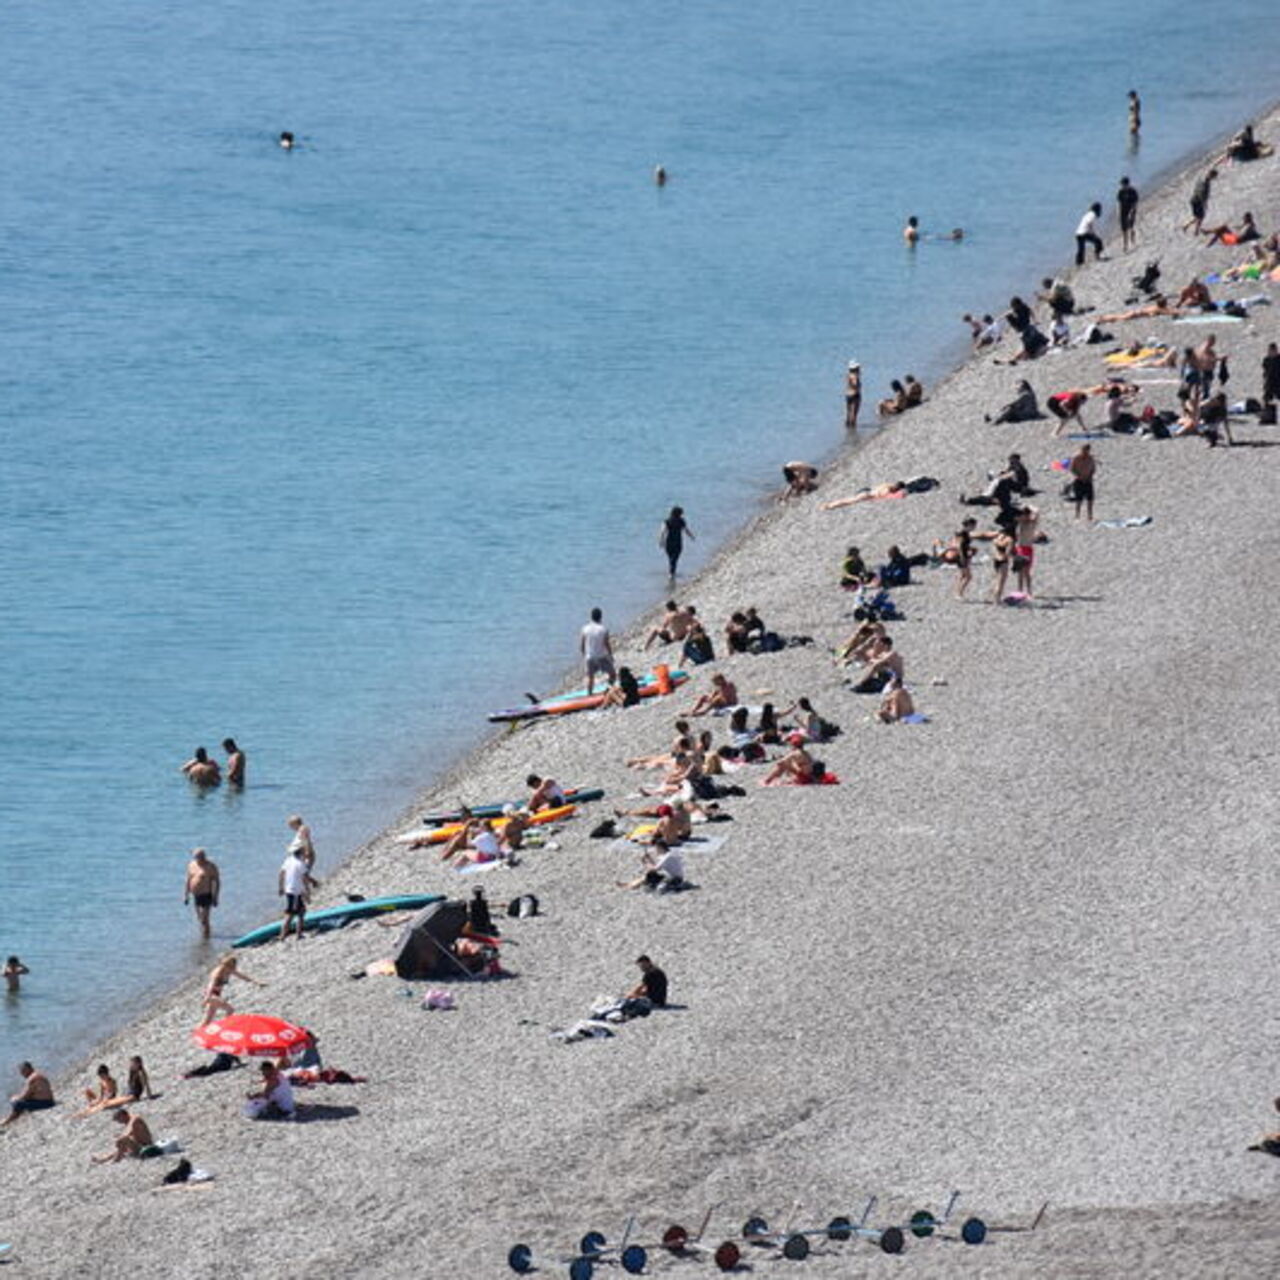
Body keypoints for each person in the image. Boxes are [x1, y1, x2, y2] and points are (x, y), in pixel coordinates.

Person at [201, 955, 263, 1025]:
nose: (233, 968)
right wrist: (207, 998)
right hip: (211, 995)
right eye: (232, 966)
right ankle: (226, 1026)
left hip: (216, 994)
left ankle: (196, 1033)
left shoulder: (228, 970)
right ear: (227, 964)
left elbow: (242, 976)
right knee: (230, 1009)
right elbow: (211, 984)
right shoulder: (218, 973)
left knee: (207, 1020)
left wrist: (256, 982)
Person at [279, 843, 318, 940]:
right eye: (304, 851)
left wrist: (281, 887)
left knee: (301, 911)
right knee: (290, 914)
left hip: (290, 890)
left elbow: (281, 873)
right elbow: (305, 877)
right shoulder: (300, 863)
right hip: (295, 891)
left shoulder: (288, 861)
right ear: (300, 852)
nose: (305, 853)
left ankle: (298, 935)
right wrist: (313, 883)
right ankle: (282, 936)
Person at [619, 839, 686, 892]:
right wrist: (649, 859)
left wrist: (645, 862)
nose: (656, 850)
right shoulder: (668, 855)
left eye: (656, 848)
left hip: (676, 879)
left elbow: (655, 869)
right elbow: (656, 866)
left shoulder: (667, 857)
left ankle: (630, 886)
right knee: (649, 875)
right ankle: (629, 885)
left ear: (660, 848)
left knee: (650, 875)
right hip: (672, 877)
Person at [184, 848, 221, 940]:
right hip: (195, 895)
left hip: (207, 894)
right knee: (200, 919)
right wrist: (186, 895)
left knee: (205, 919)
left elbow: (217, 882)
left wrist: (216, 897)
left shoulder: (210, 866)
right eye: (198, 856)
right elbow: (188, 880)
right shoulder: (191, 865)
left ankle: (206, 939)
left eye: (202, 856)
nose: (200, 858)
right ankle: (204, 936)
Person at [2, 1062, 55, 1127]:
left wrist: (14, 1099)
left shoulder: (32, 1079)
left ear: (28, 1069)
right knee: (19, 1102)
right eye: (21, 1072)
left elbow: (25, 1096)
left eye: (23, 1071)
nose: (22, 1074)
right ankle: (12, 1117)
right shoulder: (38, 1074)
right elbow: (30, 1093)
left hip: (46, 1103)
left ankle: (8, 1121)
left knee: (17, 1104)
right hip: (49, 1101)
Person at [580, 607, 616, 695]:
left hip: (590, 657)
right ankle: (607, 690)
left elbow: (582, 645)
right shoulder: (604, 629)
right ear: (600, 617)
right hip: (601, 657)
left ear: (591, 617)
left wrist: (584, 655)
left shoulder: (585, 629)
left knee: (590, 677)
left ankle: (589, 694)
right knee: (613, 675)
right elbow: (606, 644)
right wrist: (611, 656)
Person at [659, 506, 692, 577]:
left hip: (669, 542)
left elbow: (662, 531)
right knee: (674, 558)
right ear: (680, 514)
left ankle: (671, 573)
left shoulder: (666, 521)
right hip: (678, 542)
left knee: (671, 558)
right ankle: (672, 573)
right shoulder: (681, 521)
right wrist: (691, 536)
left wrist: (661, 540)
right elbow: (686, 530)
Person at [1013, 507, 1039, 597]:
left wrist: (1030, 507)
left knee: (1026, 572)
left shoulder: (1032, 523)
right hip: (1020, 548)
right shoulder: (1020, 523)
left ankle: (1029, 591)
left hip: (1028, 548)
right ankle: (1020, 590)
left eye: (1024, 515)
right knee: (1020, 571)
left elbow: (1037, 511)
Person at [1183, 168, 1217, 234]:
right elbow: (1201, 194)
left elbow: (1197, 189)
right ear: (1211, 175)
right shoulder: (1205, 182)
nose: (1214, 179)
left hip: (1193, 199)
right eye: (1214, 177)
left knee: (1198, 216)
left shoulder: (1202, 179)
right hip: (1197, 201)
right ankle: (1196, 231)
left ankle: (1186, 226)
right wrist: (1204, 203)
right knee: (1201, 216)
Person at [989, 527, 1015, 602]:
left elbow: (993, 550)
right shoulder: (1009, 540)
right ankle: (997, 599)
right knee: (1001, 581)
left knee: (996, 578)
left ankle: (994, 596)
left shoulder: (996, 539)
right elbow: (1008, 552)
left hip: (996, 559)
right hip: (1003, 560)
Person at [953, 518, 975, 598]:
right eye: (973, 526)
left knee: (962, 575)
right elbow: (959, 546)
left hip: (963, 556)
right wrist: (962, 557)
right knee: (968, 577)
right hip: (962, 556)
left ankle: (957, 592)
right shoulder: (962, 534)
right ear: (969, 525)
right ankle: (959, 593)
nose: (974, 527)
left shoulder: (964, 533)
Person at [1117, 176, 1139, 252]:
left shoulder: (1133, 192)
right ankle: (1125, 245)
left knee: (1130, 227)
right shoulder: (1120, 192)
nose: (1122, 186)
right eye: (1121, 185)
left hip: (1131, 210)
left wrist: (1131, 213)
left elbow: (1135, 203)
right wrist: (1118, 213)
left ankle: (1133, 241)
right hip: (1123, 211)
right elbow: (1119, 203)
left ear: (1127, 184)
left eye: (1123, 185)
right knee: (1124, 230)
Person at [844, 361, 862, 429]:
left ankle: (847, 430)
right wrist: (858, 385)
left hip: (848, 394)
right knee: (854, 415)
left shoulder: (848, 374)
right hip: (855, 395)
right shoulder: (855, 376)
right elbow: (855, 384)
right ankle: (853, 431)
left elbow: (849, 384)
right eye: (858, 368)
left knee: (848, 413)